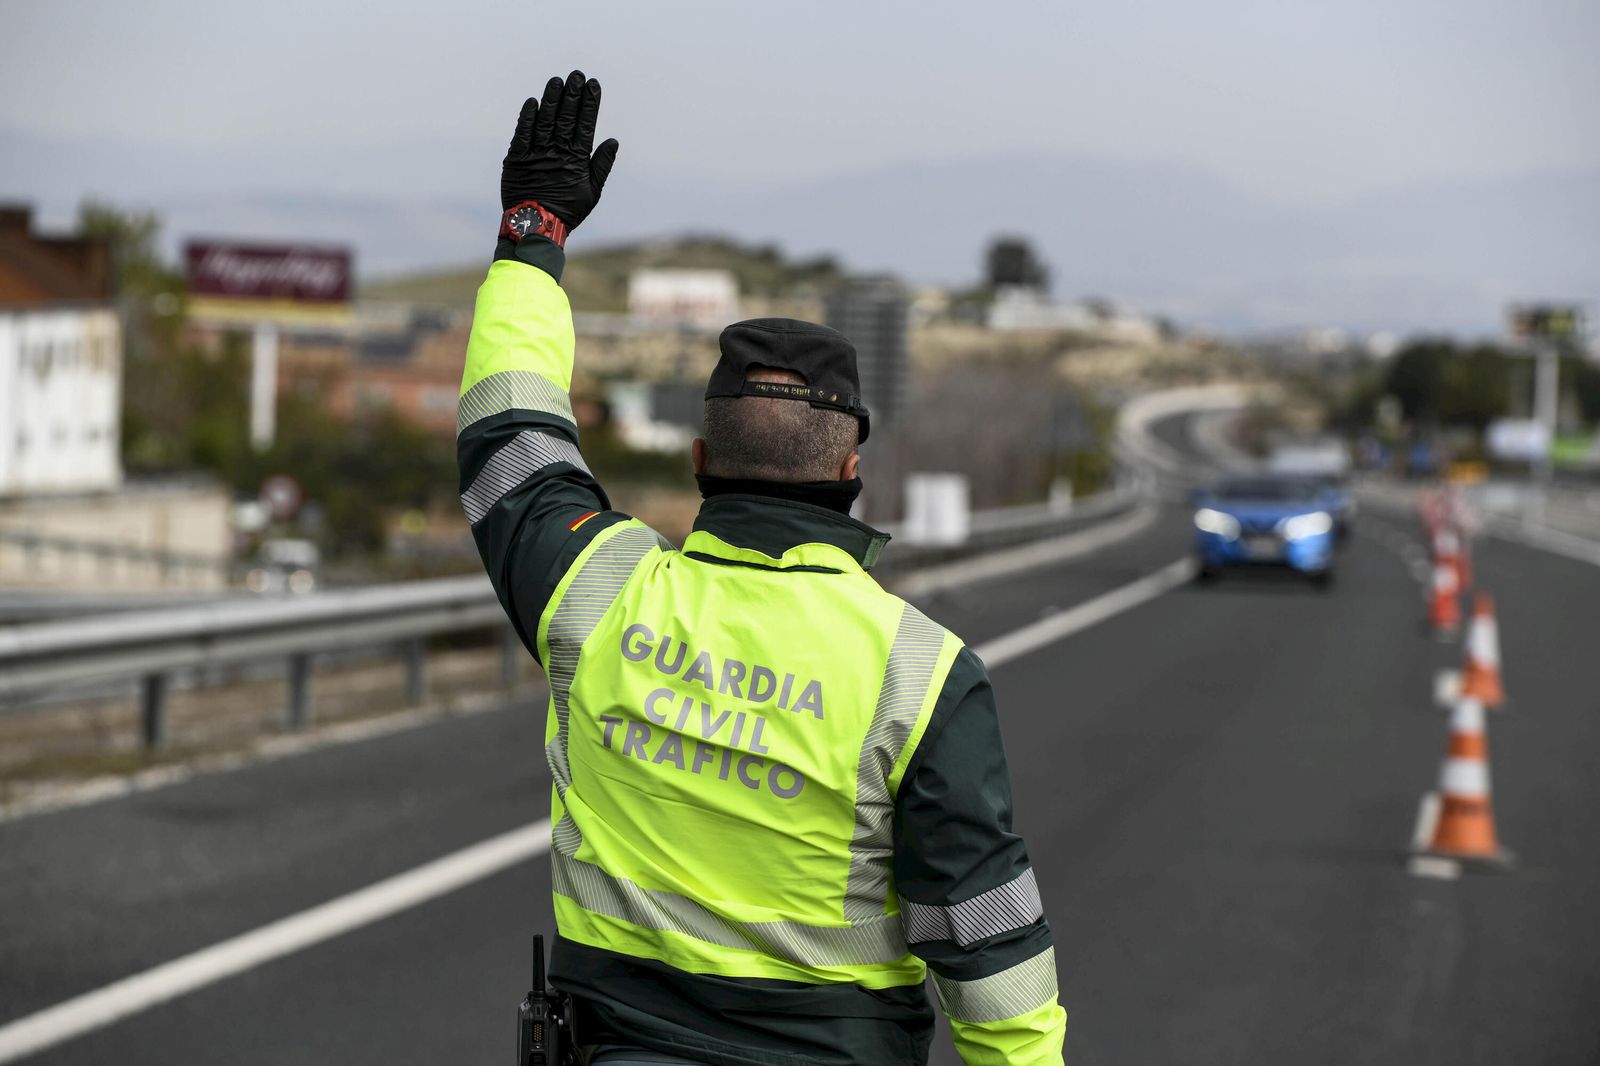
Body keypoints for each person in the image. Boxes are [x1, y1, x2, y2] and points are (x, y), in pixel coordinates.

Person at [460, 70, 1067, 1066]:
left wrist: (532, 232)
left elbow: (507, 431)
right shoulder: (921, 677)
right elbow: (990, 952)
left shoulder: (595, 592)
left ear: (699, 460)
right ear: (852, 471)